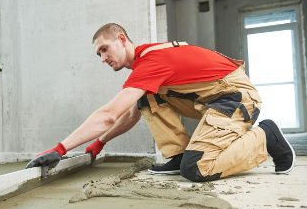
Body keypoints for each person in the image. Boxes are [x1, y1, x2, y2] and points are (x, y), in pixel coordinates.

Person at [25, 23, 295, 182]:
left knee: (198, 168)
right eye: (98, 55)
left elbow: (109, 115)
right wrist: (98, 144)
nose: (103, 58)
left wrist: (60, 149)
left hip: (235, 97)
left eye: (104, 49)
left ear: (121, 39)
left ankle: (265, 136)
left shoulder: (150, 63)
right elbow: (130, 115)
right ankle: (177, 155)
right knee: (146, 97)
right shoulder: (145, 66)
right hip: (213, 97)